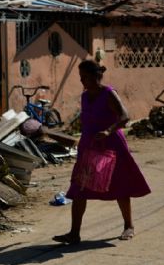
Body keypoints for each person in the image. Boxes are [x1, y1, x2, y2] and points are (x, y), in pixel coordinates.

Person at [53, 60, 151, 245]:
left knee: (119, 184)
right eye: (81, 78)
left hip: (112, 145)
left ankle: (128, 226)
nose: (83, 81)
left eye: (86, 77)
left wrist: (108, 130)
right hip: (90, 146)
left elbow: (125, 117)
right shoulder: (84, 96)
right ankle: (74, 233)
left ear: (96, 77)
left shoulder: (108, 94)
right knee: (79, 188)